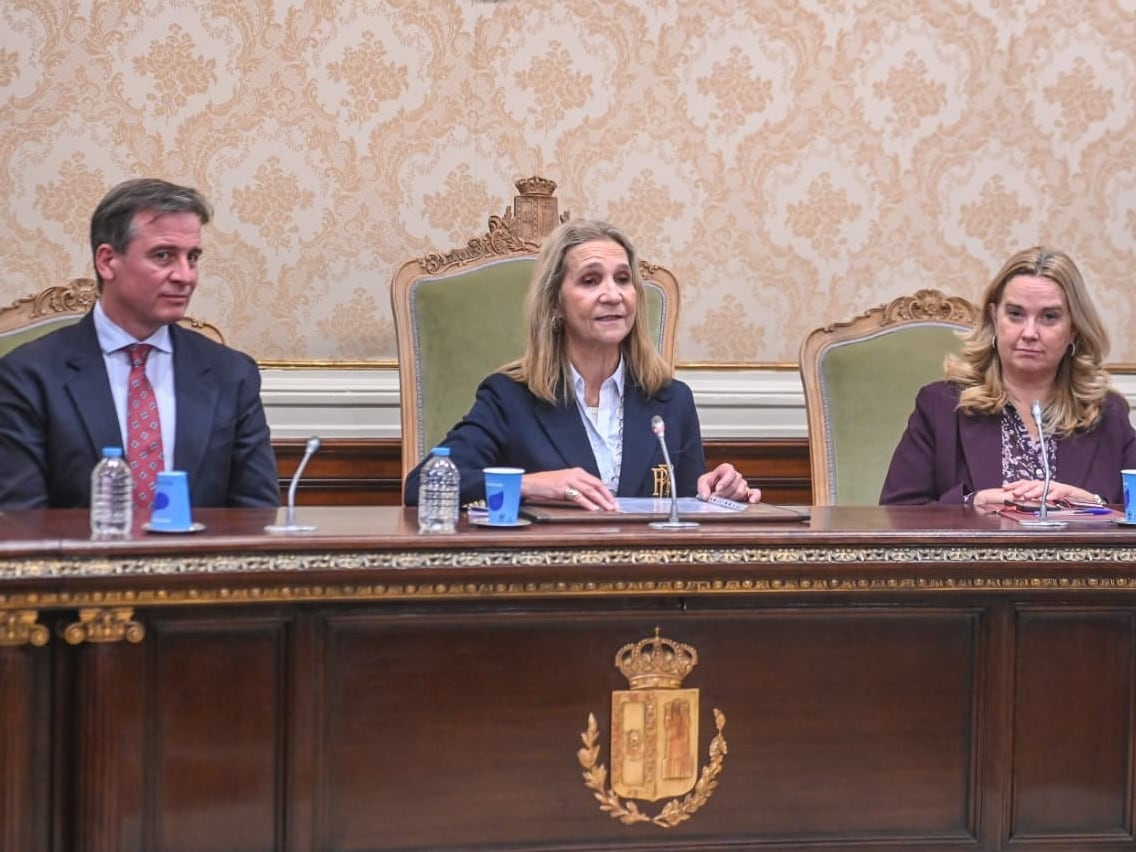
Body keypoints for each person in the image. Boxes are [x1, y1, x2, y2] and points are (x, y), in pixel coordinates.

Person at [404, 218, 761, 510]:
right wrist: (530, 484)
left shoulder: (672, 400)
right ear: (555, 305)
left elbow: (687, 511)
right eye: (591, 281)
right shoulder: (509, 398)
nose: (613, 294)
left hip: (649, 589)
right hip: (547, 586)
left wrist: (717, 493)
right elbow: (421, 485)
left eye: (623, 279)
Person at [0, 178, 280, 509]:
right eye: (164, 256)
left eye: (192, 257)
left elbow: (256, 512)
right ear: (107, 261)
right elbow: (21, 519)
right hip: (78, 559)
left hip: (203, 559)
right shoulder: (27, 375)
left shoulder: (231, 374)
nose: (185, 276)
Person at [880, 246, 1136, 508]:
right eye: (1015, 314)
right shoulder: (941, 406)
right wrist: (971, 503)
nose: (1029, 332)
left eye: (1049, 317)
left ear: (1073, 330)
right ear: (994, 318)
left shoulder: (1106, 414)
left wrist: (1093, 503)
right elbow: (896, 512)